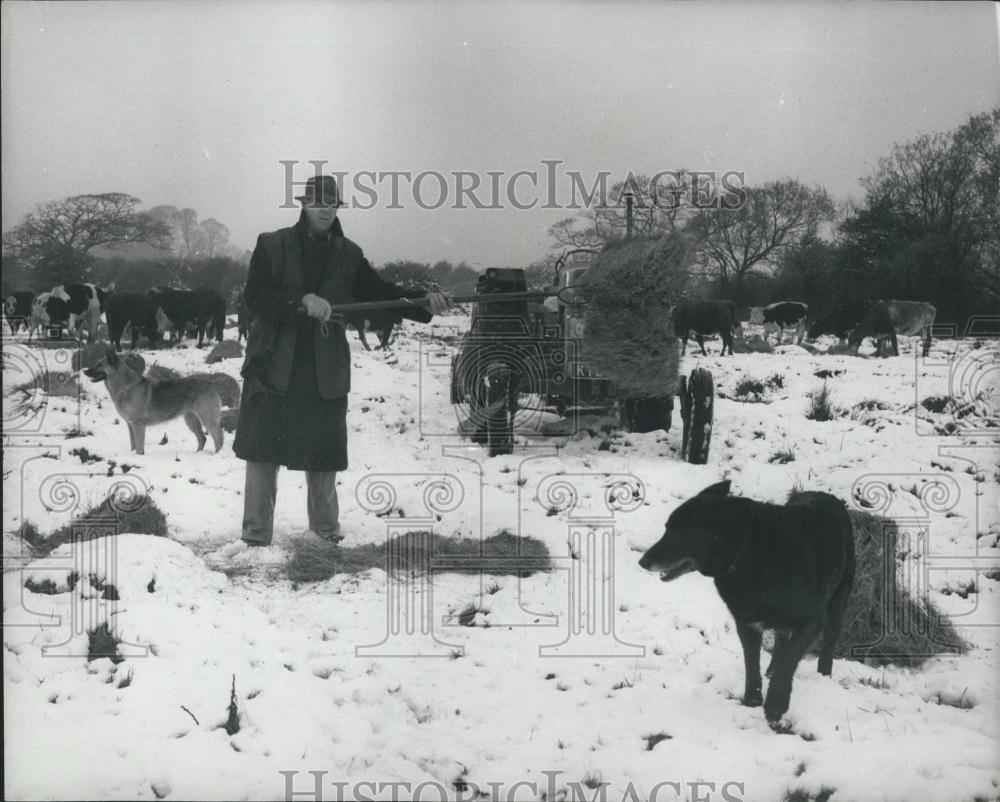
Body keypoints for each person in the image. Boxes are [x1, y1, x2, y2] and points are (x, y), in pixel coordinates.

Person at [233, 174, 449, 546]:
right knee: (262, 450)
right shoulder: (271, 245)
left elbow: (380, 293)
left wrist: (421, 302)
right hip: (273, 363)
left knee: (323, 452)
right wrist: (302, 300)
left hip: (324, 368)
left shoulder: (349, 254)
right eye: (318, 203)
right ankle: (255, 538)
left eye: (332, 204)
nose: (325, 210)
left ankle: (324, 537)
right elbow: (257, 297)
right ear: (303, 204)